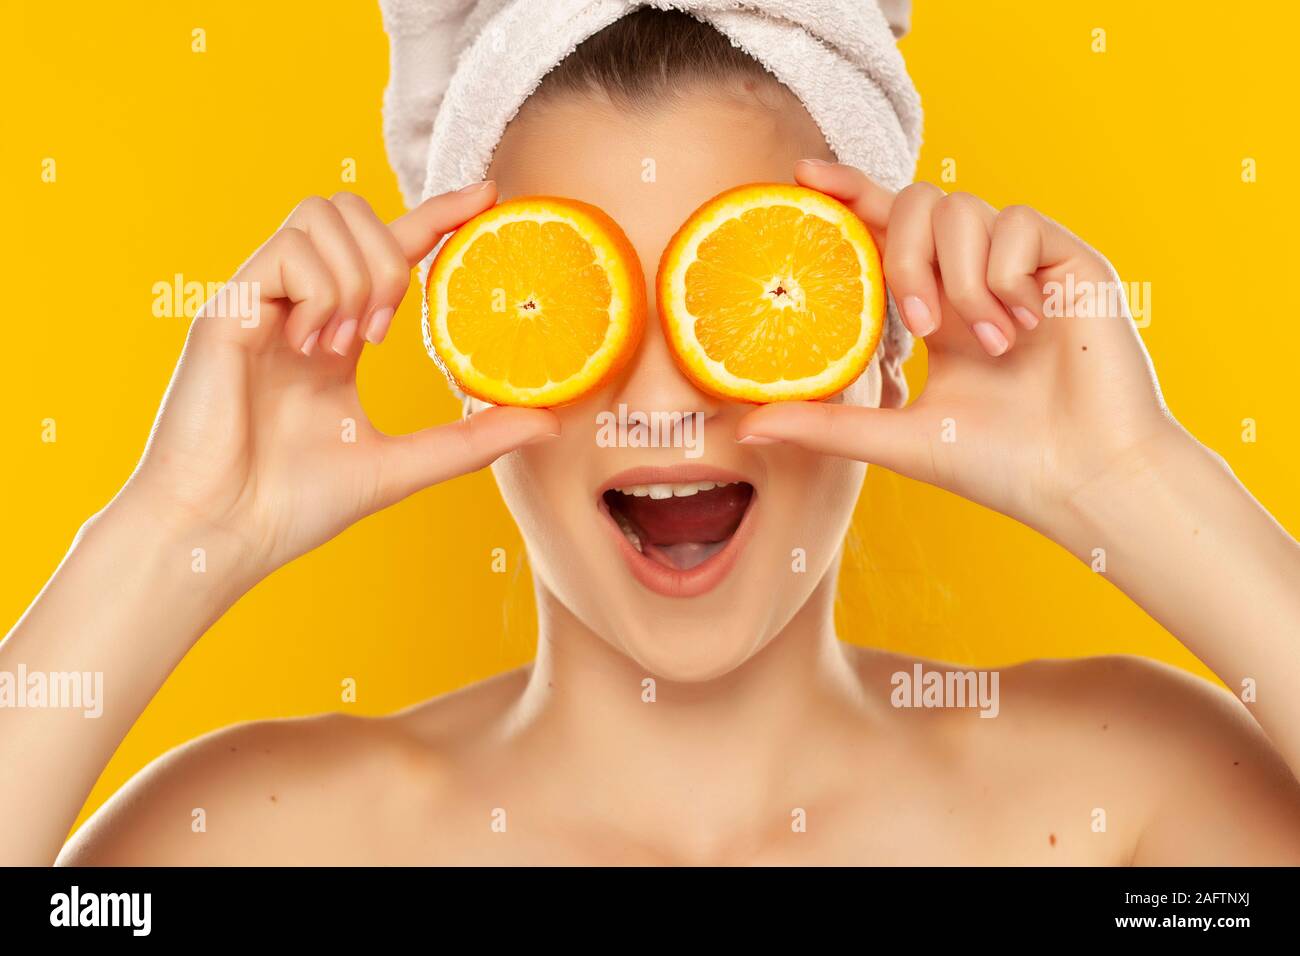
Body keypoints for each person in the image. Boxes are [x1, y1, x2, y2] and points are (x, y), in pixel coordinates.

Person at [4, 8, 1298, 866]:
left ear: (881, 328)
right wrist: (169, 534)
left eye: (749, 295)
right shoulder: (269, 839)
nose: (664, 398)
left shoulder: (1124, 807)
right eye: (574, 302)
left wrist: (1139, 484)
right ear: (474, 348)